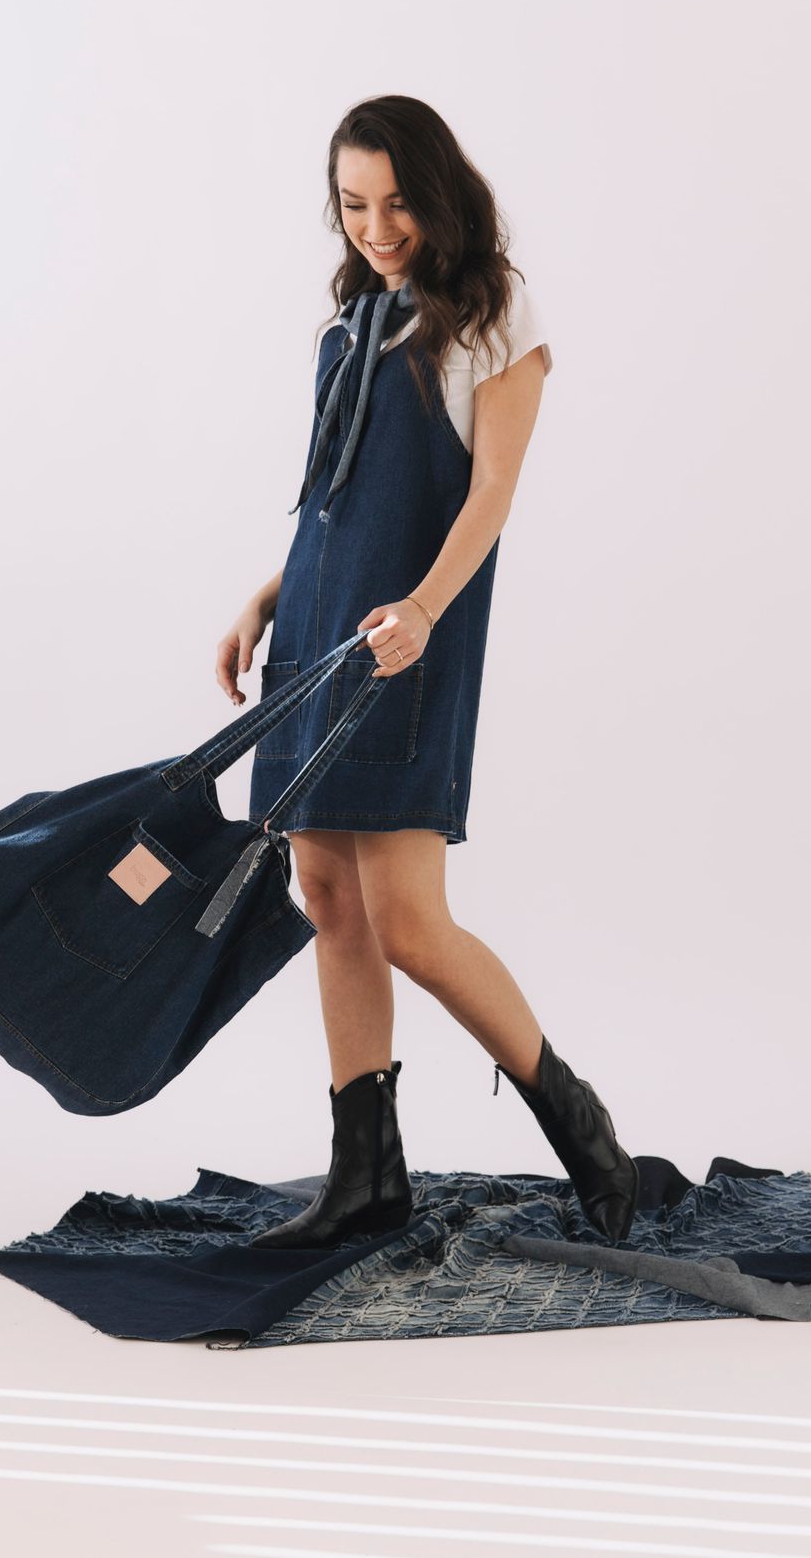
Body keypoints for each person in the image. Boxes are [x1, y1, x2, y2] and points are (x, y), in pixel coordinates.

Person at [215, 94, 639, 1251]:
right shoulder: (349, 325)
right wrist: (267, 598)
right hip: (313, 635)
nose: (377, 227)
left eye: (397, 202)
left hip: (406, 641)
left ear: (439, 193)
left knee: (407, 920)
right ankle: (366, 1178)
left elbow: (491, 492)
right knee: (326, 899)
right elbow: (333, 500)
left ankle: (582, 1127)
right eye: (354, 204)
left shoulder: (495, 317)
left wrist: (421, 609)